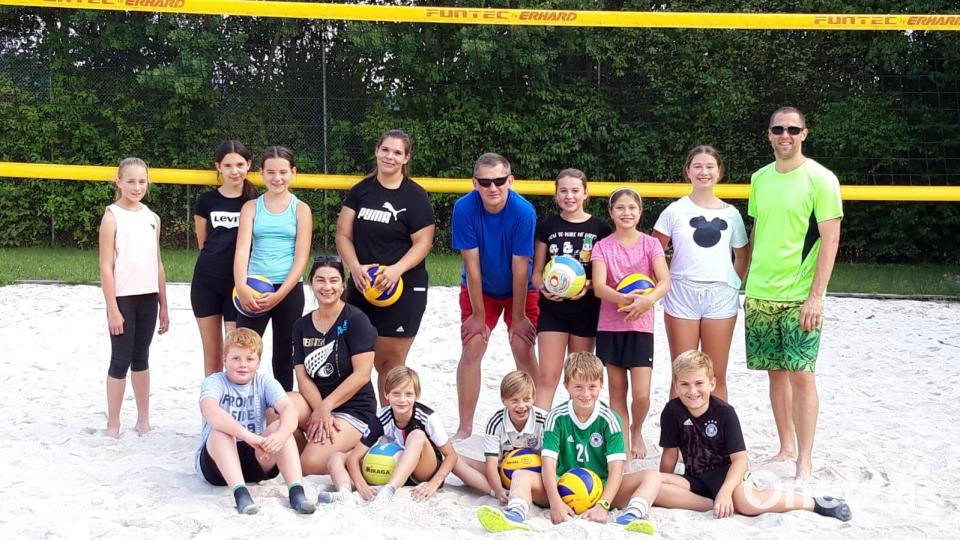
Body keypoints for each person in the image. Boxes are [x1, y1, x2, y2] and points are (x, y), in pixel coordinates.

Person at [614, 350, 851, 526]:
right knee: (655, 484)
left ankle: (813, 502)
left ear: (712, 383)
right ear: (675, 386)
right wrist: (665, 478)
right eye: (684, 384)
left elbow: (740, 461)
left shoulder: (724, 412)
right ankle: (646, 510)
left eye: (699, 383)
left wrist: (726, 492)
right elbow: (670, 454)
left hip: (729, 477)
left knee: (749, 504)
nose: (692, 391)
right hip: (694, 480)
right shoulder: (672, 411)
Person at [746, 107, 843, 481]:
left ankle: (805, 459)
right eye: (777, 128)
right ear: (769, 134)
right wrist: (742, 277)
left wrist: (816, 296)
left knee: (802, 374)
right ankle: (785, 447)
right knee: (775, 373)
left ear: (804, 133)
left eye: (792, 129)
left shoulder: (821, 178)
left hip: (800, 294)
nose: (784, 134)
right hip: (760, 291)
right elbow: (758, 232)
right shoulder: (760, 178)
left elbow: (831, 239)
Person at [476, 352, 654, 534]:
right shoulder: (556, 417)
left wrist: (603, 505)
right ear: (566, 386)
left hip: (600, 488)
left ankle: (632, 516)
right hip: (562, 487)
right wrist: (555, 503)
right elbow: (548, 464)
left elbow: (617, 469)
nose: (585, 394)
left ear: (601, 384)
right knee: (521, 475)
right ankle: (514, 514)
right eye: (578, 387)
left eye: (592, 386)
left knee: (652, 476)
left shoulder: (610, 419)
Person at [336, 129, 435, 403]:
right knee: (355, 358)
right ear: (376, 152)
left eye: (397, 152)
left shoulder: (414, 196)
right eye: (385, 150)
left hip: (402, 287)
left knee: (390, 364)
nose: (390, 156)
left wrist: (396, 270)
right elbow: (343, 235)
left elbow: (423, 243)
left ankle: (389, 423)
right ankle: (359, 421)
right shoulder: (361, 191)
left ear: (406, 158)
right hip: (362, 285)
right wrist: (354, 268)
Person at [451, 152, 539, 440]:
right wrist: (478, 316)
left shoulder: (523, 211)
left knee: (522, 344)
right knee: (473, 345)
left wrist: (519, 317)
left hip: (519, 286)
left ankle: (534, 421)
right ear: (475, 183)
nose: (493, 188)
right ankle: (465, 428)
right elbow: (471, 266)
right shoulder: (464, 208)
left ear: (510, 180)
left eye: (500, 181)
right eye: (485, 182)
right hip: (481, 287)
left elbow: (520, 268)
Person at [653, 146, 748, 402]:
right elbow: (653, 252)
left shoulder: (731, 214)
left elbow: (742, 256)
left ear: (719, 172)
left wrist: (731, 283)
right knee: (682, 372)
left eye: (709, 166)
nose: (703, 172)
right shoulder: (674, 211)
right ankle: (675, 440)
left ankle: (717, 437)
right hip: (682, 293)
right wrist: (663, 284)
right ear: (688, 171)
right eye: (697, 166)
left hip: (720, 296)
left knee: (715, 374)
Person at [195, 328, 315, 515]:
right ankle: (241, 494)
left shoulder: (264, 381)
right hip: (217, 463)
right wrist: (249, 437)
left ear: (258, 362)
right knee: (220, 431)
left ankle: (296, 492)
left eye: (249, 359)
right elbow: (210, 411)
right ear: (225, 359)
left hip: (257, 455)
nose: (243, 364)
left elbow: (289, 410)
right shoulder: (215, 381)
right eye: (236, 358)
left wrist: (280, 436)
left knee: (279, 428)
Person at [591, 188, 670, 459]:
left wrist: (646, 301)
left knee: (641, 396)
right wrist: (624, 299)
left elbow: (664, 282)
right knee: (616, 393)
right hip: (611, 326)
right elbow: (599, 288)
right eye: (620, 208)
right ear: (611, 212)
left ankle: (637, 429)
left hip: (640, 326)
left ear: (640, 212)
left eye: (632, 208)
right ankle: (622, 443)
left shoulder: (650, 244)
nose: (626, 213)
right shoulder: (602, 246)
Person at [288, 256, 379, 476]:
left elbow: (362, 375)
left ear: (342, 285)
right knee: (278, 410)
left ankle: (352, 454)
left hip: (353, 408)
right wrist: (320, 409)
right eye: (320, 280)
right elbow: (302, 378)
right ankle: (306, 450)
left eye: (333, 280)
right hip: (317, 404)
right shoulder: (301, 325)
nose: (327, 287)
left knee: (309, 465)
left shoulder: (357, 320)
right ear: (311, 283)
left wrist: (327, 407)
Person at [98, 157, 169, 438]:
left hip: (148, 297)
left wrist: (164, 304)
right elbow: (106, 265)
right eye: (130, 181)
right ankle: (113, 423)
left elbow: (158, 263)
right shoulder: (111, 216)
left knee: (142, 357)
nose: (137, 186)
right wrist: (113, 308)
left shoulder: (152, 217)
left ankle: (143, 419)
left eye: (141, 181)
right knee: (120, 359)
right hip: (123, 298)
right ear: (119, 181)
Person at [233, 146, 313, 391]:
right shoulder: (251, 208)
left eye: (283, 172)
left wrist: (280, 294)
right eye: (271, 172)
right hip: (254, 286)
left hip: (287, 289)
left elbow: (301, 258)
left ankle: (282, 408)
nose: (277, 178)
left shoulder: (301, 209)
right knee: (243, 350)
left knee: (283, 354)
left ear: (293, 173)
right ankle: (241, 402)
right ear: (261, 173)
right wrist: (241, 286)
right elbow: (241, 251)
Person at [532, 169, 612, 410]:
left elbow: (604, 274)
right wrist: (542, 287)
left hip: (586, 309)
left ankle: (576, 429)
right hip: (553, 309)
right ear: (556, 194)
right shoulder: (548, 226)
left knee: (580, 378)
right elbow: (536, 272)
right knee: (548, 376)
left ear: (586, 193)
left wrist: (589, 284)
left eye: (575, 190)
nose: (569, 196)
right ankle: (541, 431)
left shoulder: (600, 228)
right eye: (563, 191)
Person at [320, 366, 458, 504]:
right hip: (390, 466)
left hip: (421, 470)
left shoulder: (428, 417)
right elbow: (354, 458)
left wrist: (433, 483)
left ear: (417, 395)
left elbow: (451, 456)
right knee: (336, 457)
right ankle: (344, 492)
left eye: (408, 394)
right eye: (396, 394)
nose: (402, 399)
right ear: (386, 394)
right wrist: (361, 485)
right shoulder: (381, 417)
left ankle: (389, 491)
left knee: (417, 435)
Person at [191, 141, 258, 376]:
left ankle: (235, 409)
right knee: (212, 357)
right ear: (218, 167)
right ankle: (212, 411)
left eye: (240, 164)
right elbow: (203, 243)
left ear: (249, 165)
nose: (234, 171)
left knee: (236, 355)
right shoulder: (206, 201)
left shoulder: (254, 200)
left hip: (238, 285)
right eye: (228, 165)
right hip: (207, 281)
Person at [452, 370, 547, 499]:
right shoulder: (495, 422)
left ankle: (516, 493)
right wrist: (498, 490)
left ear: (534, 398)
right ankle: (496, 493)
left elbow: (551, 461)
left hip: (533, 476)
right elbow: (491, 465)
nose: (521, 406)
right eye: (514, 400)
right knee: (453, 459)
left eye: (526, 399)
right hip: (502, 472)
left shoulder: (544, 420)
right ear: (504, 401)